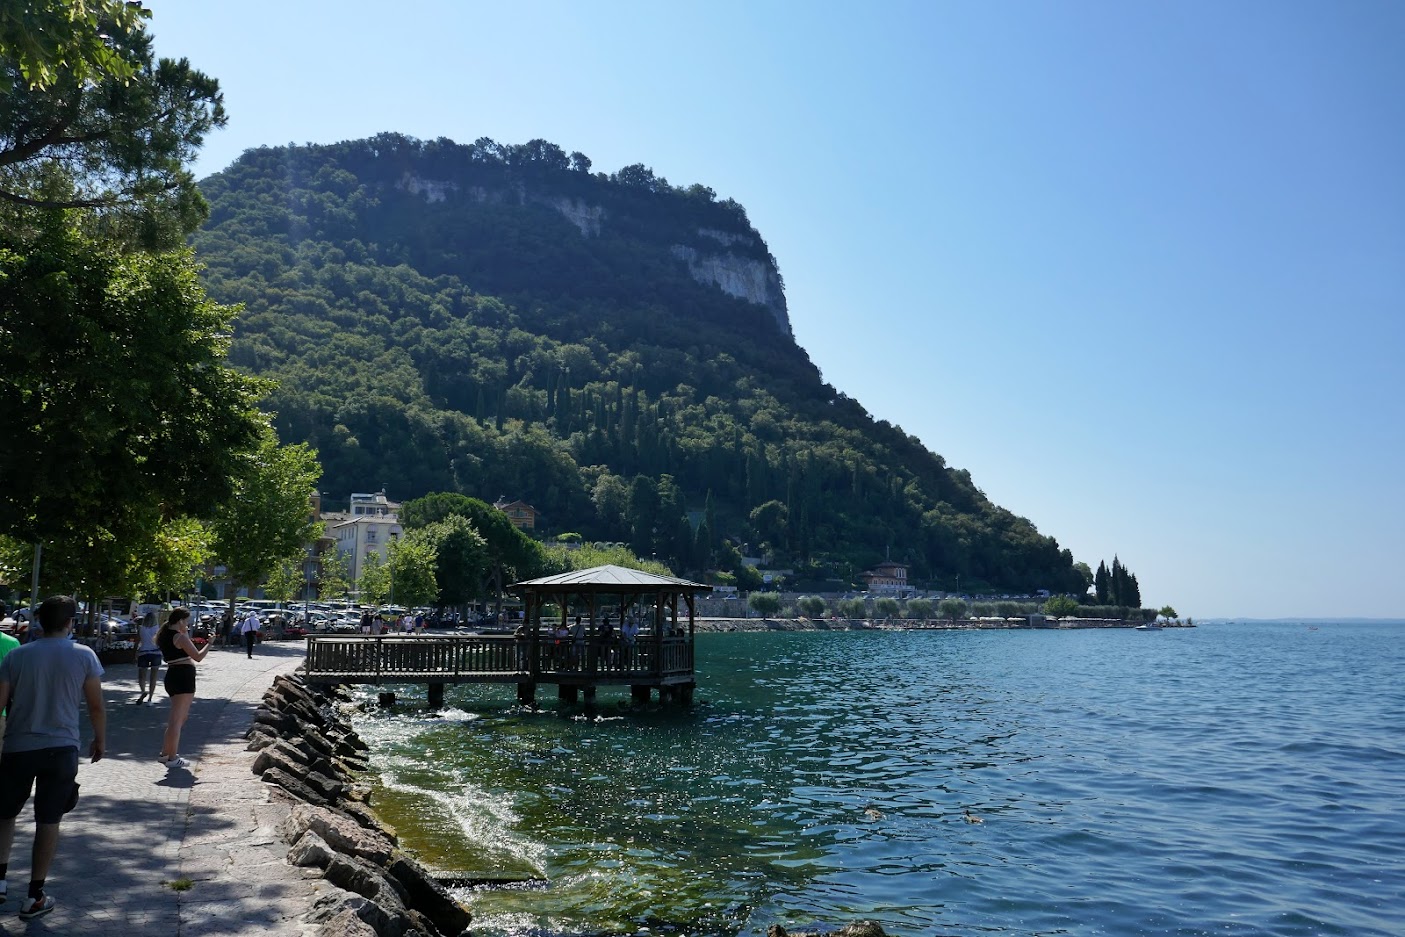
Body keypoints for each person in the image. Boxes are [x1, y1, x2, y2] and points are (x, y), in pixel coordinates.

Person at [0, 595, 105, 920]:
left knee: (4, 815)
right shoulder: (84, 655)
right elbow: (96, 706)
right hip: (62, 749)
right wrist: (100, 740)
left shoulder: (16, 656)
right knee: (48, 821)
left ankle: (0, 882)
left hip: (18, 747)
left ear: (39, 622)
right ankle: (34, 895)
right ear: (70, 622)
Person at [157, 607, 210, 769]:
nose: (188, 624)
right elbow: (198, 656)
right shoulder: (179, 637)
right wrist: (209, 643)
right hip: (183, 677)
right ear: (180, 621)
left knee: (178, 717)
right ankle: (172, 757)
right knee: (177, 720)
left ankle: (166, 753)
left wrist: (184, 632)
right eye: (186, 621)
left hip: (173, 675)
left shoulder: (164, 635)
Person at [133, 612, 161, 704]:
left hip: (143, 652)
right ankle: (150, 698)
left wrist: (134, 653)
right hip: (155, 653)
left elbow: (137, 641)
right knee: (153, 677)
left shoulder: (141, 629)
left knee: (142, 675)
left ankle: (143, 691)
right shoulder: (158, 629)